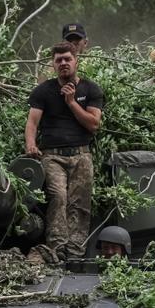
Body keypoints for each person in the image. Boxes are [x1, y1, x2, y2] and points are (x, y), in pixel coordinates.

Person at [25, 42, 104, 260]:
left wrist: (71, 102)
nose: (63, 63)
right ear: (53, 64)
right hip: (52, 155)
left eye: (67, 59)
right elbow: (32, 122)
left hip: (81, 154)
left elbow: (94, 124)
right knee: (58, 197)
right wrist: (30, 143)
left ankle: (75, 253)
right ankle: (57, 250)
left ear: (76, 61)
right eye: (58, 60)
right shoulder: (43, 91)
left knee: (80, 202)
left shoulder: (91, 89)